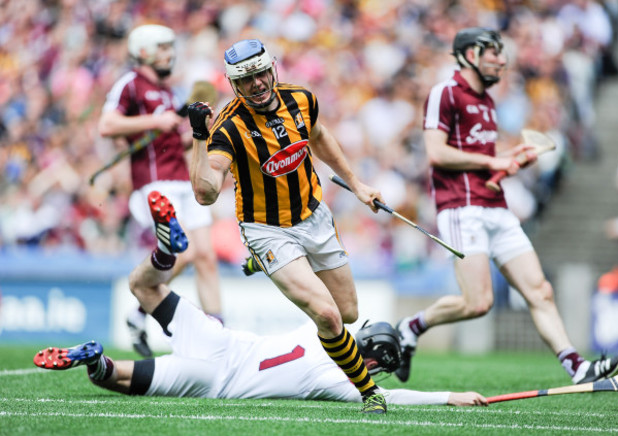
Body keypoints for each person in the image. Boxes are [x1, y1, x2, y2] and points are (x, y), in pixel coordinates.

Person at [33, 191, 487, 408]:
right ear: (371, 364)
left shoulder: (326, 328)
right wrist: (451, 396)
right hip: (211, 378)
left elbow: (313, 285)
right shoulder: (337, 379)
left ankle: (163, 253)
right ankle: (94, 361)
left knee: (143, 286)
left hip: (220, 340)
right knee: (110, 379)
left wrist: (262, 263)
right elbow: (390, 398)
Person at [394, 27, 618, 384]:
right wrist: (493, 161)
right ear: (469, 55)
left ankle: (577, 368)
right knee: (478, 303)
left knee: (540, 290)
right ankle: (411, 326)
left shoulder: (488, 103)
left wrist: (509, 162)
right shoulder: (444, 93)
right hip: (461, 208)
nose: (501, 60)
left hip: (496, 206)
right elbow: (437, 152)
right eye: (492, 53)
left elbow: (482, 165)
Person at [186, 39, 388, 414]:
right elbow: (205, 194)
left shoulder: (302, 99)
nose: (258, 84)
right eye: (246, 81)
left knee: (347, 314)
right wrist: (199, 137)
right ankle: (369, 391)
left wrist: (357, 185)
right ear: (234, 85)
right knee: (326, 316)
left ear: (272, 69)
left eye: (261, 74)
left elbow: (320, 137)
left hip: (315, 216)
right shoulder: (229, 128)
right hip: (267, 229)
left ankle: (263, 264)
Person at [97, 24, 222, 358]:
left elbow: (173, 142)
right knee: (189, 253)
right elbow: (107, 125)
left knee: (206, 257)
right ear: (145, 51)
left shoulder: (169, 92)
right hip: (154, 183)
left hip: (183, 180)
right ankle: (142, 306)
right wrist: (155, 122)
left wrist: (198, 130)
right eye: (164, 47)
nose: (171, 53)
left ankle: (220, 335)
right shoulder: (131, 85)